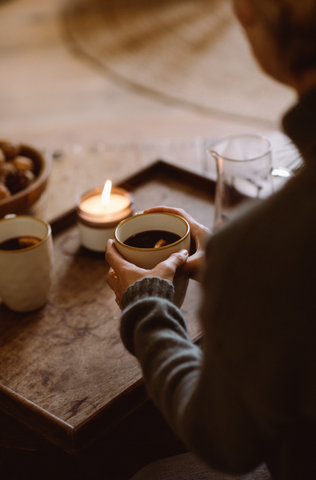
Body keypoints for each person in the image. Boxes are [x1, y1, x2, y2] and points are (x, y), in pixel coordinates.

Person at [106, 0, 316, 478]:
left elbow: (225, 441)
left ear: (246, 13)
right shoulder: (263, 244)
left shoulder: (266, 242)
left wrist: (146, 310)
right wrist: (241, 266)